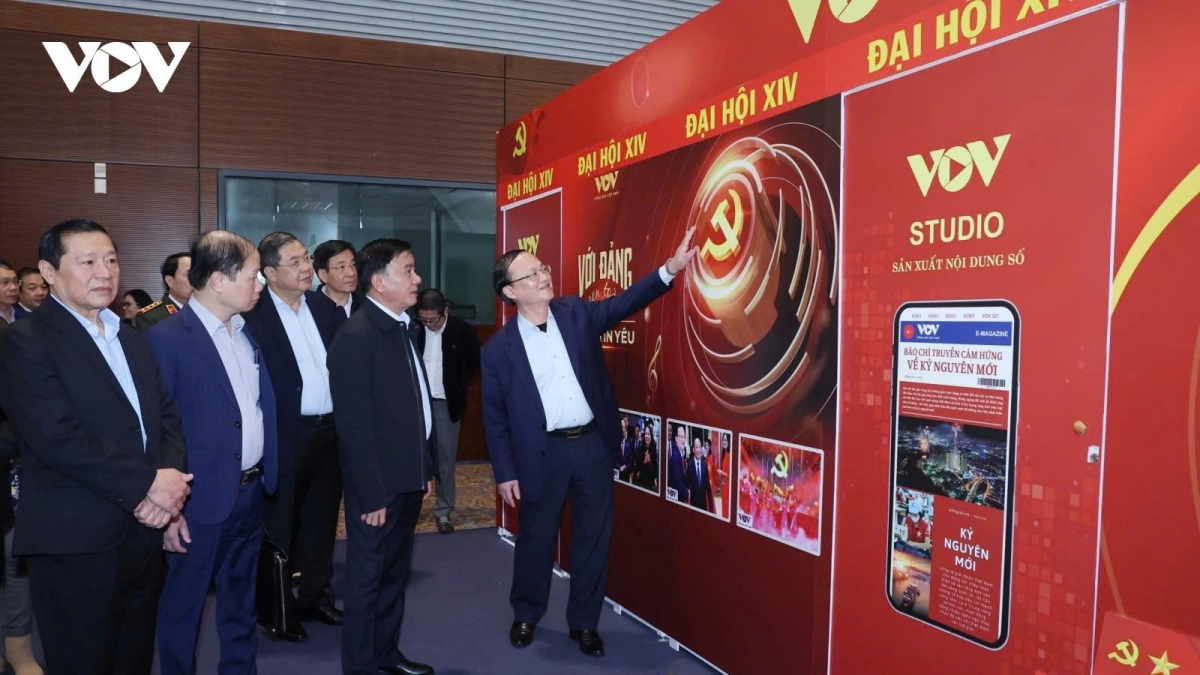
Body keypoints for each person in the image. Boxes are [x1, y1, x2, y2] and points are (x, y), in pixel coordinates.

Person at [483, 225, 697, 657]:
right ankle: (526, 614)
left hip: (591, 449)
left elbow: (623, 303)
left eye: (543, 268)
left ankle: (584, 623)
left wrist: (670, 269)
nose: (544, 275)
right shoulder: (498, 350)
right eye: (532, 274)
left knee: (593, 538)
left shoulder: (576, 313)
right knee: (536, 538)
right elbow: (495, 417)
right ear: (510, 293)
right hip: (540, 456)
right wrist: (504, 471)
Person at [0, 219, 191, 675]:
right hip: (77, 539)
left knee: (134, 657)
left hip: (142, 530)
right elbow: (57, 438)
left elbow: (165, 417)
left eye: (110, 259)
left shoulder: (130, 335)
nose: (104, 272)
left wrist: (165, 487)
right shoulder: (24, 341)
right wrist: (149, 485)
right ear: (48, 271)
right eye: (87, 262)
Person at [147, 231, 279, 675]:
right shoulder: (166, 339)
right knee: (183, 609)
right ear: (219, 281)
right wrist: (169, 509)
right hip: (196, 501)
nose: (259, 283)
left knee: (240, 605)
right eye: (252, 273)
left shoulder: (245, 332)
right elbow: (158, 430)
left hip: (248, 492)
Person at [328, 238, 436, 675]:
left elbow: (415, 407)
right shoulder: (357, 336)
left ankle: (386, 655)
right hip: (377, 488)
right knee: (367, 580)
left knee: (394, 575)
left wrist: (425, 469)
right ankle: (359, 665)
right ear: (378, 281)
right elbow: (354, 428)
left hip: (407, 476)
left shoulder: (401, 326)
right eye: (408, 270)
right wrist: (371, 493)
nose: (418, 279)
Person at [244, 232, 345, 637]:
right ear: (269, 273)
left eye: (306, 258)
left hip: (329, 434)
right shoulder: (253, 315)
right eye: (295, 262)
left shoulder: (325, 308)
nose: (307, 267)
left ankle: (315, 597)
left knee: (321, 522)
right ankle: (277, 609)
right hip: (284, 436)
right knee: (279, 524)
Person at [414, 288, 481, 534]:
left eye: (433, 319)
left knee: (445, 461)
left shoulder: (463, 332)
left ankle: (443, 512)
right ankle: (409, 510)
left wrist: (456, 385)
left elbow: (474, 365)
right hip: (416, 404)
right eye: (424, 319)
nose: (429, 324)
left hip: (445, 404)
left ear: (446, 312)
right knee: (412, 459)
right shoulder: (413, 330)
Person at [134, 252, 194, 331]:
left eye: (198, 274)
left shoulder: (207, 310)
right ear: (170, 281)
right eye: (190, 274)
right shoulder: (149, 317)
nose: (196, 279)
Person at [311, 239, 362, 324]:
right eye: (341, 267)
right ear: (323, 274)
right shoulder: (311, 309)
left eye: (353, 265)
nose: (351, 273)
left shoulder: (366, 304)